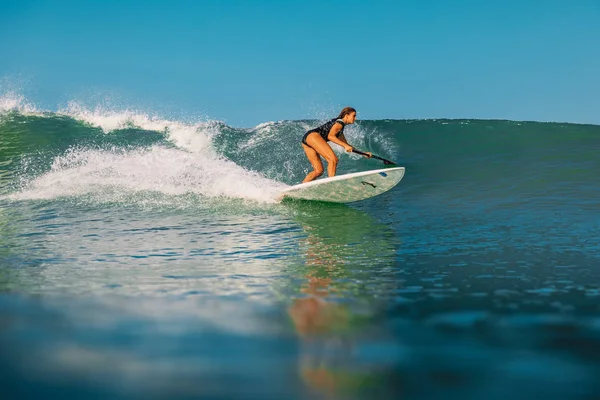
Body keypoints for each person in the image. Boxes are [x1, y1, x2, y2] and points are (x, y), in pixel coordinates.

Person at [301, 107, 371, 183]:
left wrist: (363, 154)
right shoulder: (340, 123)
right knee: (333, 160)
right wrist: (345, 146)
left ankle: (300, 188)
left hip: (307, 139)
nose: (355, 118)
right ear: (347, 115)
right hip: (313, 136)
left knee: (319, 171)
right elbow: (330, 136)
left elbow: (347, 145)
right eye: (354, 115)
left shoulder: (340, 128)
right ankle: (331, 184)